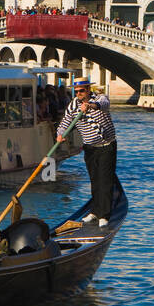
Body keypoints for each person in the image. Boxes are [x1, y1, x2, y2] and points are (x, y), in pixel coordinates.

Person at [56, 78, 117, 227]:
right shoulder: (73, 106)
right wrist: (60, 133)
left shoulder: (99, 98)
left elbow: (104, 105)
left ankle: (104, 214)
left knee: (105, 180)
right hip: (89, 148)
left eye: (81, 91)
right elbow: (65, 122)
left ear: (88, 90)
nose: (78, 94)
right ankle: (95, 211)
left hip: (106, 146)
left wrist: (90, 106)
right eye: (76, 91)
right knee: (95, 180)